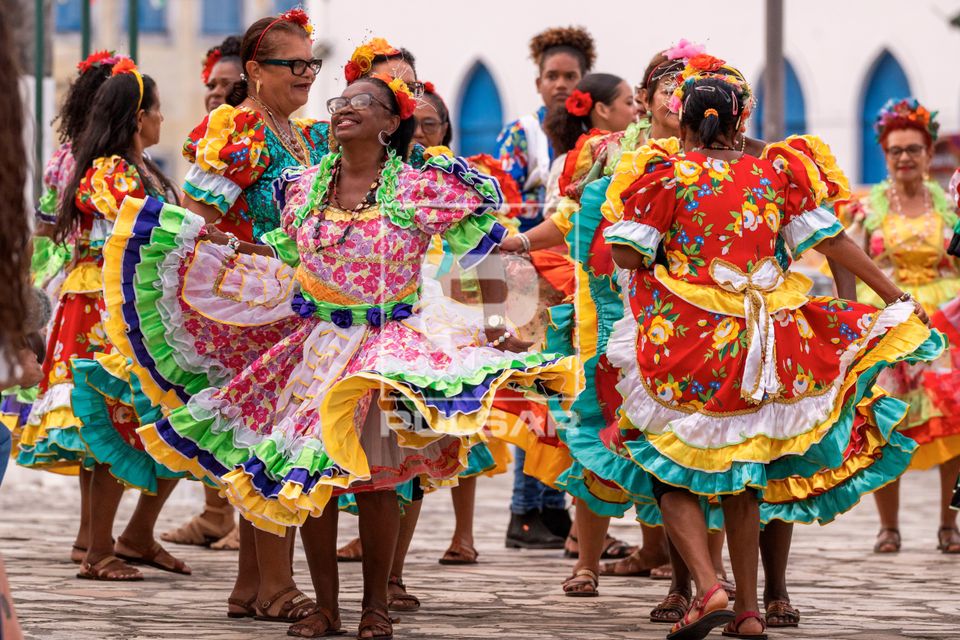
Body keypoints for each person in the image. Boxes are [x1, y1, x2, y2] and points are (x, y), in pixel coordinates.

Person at [104, 69, 578, 639]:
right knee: (319, 479)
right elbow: (285, 251)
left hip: (388, 353)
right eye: (341, 101)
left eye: (363, 102)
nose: (344, 108)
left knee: (378, 479)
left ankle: (376, 605)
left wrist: (518, 299)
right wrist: (219, 245)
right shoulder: (303, 187)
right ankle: (327, 606)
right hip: (316, 349)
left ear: (389, 123)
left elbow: (484, 248)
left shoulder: (417, 186)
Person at [602, 53, 939, 639]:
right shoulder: (774, 174)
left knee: (666, 467)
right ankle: (751, 611)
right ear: (740, 123)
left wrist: (662, 248)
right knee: (747, 473)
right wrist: (894, 296)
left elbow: (628, 254)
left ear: (684, 122)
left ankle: (706, 590)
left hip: (686, 341)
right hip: (765, 341)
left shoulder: (664, 177)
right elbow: (833, 243)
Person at [103, 9, 329, 619]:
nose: (308, 74)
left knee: (274, 440)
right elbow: (194, 225)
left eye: (312, 62)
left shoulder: (303, 135)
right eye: (294, 64)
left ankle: (253, 588)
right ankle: (276, 588)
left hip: (298, 305)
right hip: (253, 312)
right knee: (271, 442)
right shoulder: (240, 130)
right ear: (255, 70)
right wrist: (249, 256)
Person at [41, 60, 188, 582]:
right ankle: (100, 550)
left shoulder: (142, 169)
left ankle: (119, 538)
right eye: (157, 111)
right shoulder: (109, 172)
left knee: (151, 421)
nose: (162, 120)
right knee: (113, 421)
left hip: (135, 307)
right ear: (135, 119)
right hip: (110, 312)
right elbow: (143, 225)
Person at [836, 98, 960, 556]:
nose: (905, 157)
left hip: (944, 326)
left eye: (913, 149)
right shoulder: (866, 210)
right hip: (889, 323)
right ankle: (888, 527)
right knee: (884, 424)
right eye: (895, 151)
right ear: (885, 156)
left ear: (929, 154)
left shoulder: (951, 207)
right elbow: (846, 261)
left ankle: (949, 524)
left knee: (952, 422)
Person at [497, 25, 596, 549]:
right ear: (538, 82)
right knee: (530, 383)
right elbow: (505, 197)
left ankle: (556, 507)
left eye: (571, 76)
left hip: (572, 273)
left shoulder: (596, 138)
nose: (561, 84)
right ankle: (525, 509)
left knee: (564, 390)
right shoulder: (522, 134)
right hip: (527, 271)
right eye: (552, 76)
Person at [160, 33, 246, 554]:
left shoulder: (253, 137)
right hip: (212, 280)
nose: (214, 92)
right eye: (211, 84)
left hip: (252, 280)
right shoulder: (212, 137)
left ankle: (243, 512)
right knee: (210, 396)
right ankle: (217, 513)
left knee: (242, 401)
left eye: (226, 84)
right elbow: (196, 214)